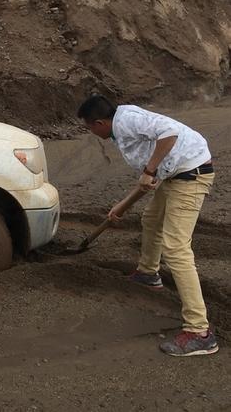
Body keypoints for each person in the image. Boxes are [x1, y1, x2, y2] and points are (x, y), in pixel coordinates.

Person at [77, 94, 218, 357]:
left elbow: (170, 133)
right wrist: (123, 204)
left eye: (89, 128)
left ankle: (200, 332)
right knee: (151, 220)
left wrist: (150, 170)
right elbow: (148, 181)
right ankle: (148, 274)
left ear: (99, 123)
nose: (91, 133)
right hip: (176, 174)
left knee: (176, 248)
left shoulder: (127, 121)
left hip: (191, 176)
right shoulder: (122, 123)